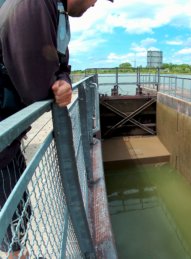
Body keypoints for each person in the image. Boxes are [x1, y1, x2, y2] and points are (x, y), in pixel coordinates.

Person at [0, 0, 112, 257]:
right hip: (3, 137)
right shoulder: (37, 5)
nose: (94, 4)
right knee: (10, 213)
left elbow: (60, 67)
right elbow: (37, 87)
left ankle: (18, 254)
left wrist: (61, 79)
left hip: (9, 137)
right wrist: (57, 82)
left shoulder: (55, 10)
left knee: (18, 209)